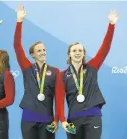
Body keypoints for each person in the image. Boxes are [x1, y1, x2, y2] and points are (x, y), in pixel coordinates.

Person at [56, 10, 118, 139]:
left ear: (84, 54)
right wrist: (62, 120)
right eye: (74, 50)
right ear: (69, 54)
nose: (77, 52)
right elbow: (60, 99)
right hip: (73, 120)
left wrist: (111, 25)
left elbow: (105, 48)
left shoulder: (92, 67)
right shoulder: (62, 75)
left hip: (93, 117)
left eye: (80, 50)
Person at [14, 5, 59, 139]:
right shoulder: (27, 68)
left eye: (44, 50)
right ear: (32, 54)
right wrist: (19, 22)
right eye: (39, 50)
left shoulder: (55, 71)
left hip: (47, 119)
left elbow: (58, 97)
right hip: (28, 119)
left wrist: (56, 119)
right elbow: (17, 46)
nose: (43, 52)